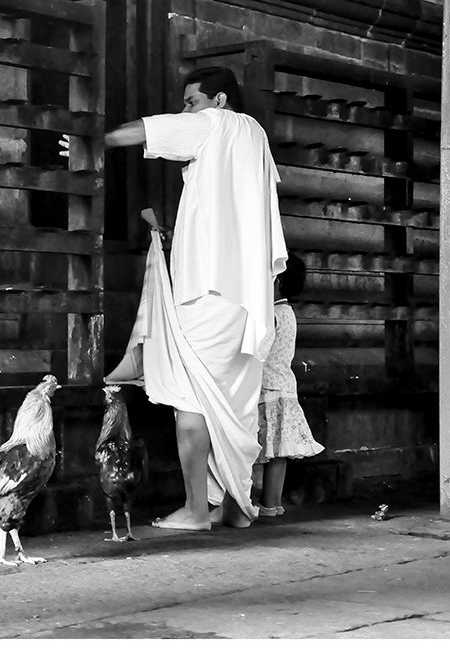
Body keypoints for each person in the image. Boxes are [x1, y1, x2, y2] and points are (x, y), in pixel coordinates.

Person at [65, 67, 287, 530]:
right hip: (247, 300)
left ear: (219, 99)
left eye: (192, 100)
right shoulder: (257, 140)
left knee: (193, 397)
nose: (187, 109)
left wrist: (93, 142)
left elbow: (151, 129)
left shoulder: (216, 123)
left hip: (208, 291)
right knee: (232, 403)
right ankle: (234, 507)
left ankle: (193, 508)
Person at [256, 252, 325, 516]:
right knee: (279, 451)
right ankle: (272, 503)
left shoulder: (271, 315)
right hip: (285, 386)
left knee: (260, 446)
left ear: (278, 281)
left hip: (267, 387)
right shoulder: (288, 313)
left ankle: (248, 500)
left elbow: (259, 350)